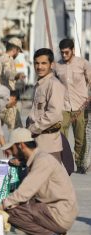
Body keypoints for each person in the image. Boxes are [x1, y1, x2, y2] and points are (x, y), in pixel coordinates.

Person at [0, 128, 78, 235]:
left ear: (21, 145)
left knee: (11, 210)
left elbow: (25, 192)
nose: (11, 153)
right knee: (16, 204)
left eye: (12, 149)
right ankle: (56, 232)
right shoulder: (39, 157)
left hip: (60, 213)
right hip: (59, 210)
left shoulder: (43, 161)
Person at [54, 38, 91, 174]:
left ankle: (80, 164)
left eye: (66, 52)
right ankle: (64, 163)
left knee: (80, 138)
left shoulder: (83, 63)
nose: (64, 55)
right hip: (63, 107)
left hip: (80, 106)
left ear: (73, 50)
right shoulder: (57, 66)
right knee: (61, 136)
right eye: (62, 53)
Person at [27, 48, 65, 162]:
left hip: (49, 146)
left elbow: (54, 114)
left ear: (51, 64)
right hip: (36, 143)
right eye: (37, 63)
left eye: (44, 63)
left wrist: (33, 129)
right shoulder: (39, 84)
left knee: (51, 179)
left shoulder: (54, 84)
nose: (39, 67)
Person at [0, 37, 24, 131]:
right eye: (18, 51)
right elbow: (7, 73)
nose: (18, 54)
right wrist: (16, 76)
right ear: (15, 49)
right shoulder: (8, 60)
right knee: (17, 130)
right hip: (7, 101)